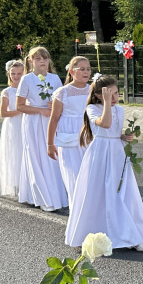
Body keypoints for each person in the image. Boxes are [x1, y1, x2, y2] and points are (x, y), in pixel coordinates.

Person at [64, 75, 143, 252]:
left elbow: (113, 131)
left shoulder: (119, 109)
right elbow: (105, 123)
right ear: (98, 95)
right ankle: (90, 234)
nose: (114, 98)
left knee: (122, 192)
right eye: (109, 94)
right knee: (97, 193)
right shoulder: (92, 108)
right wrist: (105, 103)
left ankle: (132, 235)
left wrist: (123, 137)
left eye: (116, 93)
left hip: (117, 153)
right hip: (100, 154)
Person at [16, 47, 67, 211]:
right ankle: (41, 195)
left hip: (51, 121)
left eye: (45, 58)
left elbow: (62, 101)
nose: (42, 61)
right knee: (37, 156)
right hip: (34, 122)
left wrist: (55, 106)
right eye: (38, 59)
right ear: (31, 61)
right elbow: (20, 106)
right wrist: (40, 110)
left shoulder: (54, 78)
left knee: (53, 156)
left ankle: (56, 194)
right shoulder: (26, 79)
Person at [47, 56, 92, 205]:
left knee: (90, 180)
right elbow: (54, 119)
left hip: (89, 139)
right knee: (74, 180)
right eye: (82, 69)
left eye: (88, 69)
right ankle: (76, 214)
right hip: (69, 141)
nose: (86, 72)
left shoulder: (93, 90)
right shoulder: (62, 92)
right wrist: (50, 144)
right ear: (72, 72)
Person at [0, 60, 25, 199]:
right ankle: (16, 183)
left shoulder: (27, 89)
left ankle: (26, 181)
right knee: (15, 152)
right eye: (13, 73)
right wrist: (21, 111)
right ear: (9, 74)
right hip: (13, 124)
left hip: (26, 123)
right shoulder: (7, 92)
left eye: (19, 73)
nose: (16, 76)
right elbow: (4, 113)